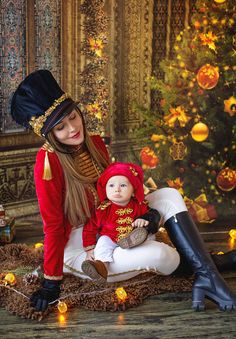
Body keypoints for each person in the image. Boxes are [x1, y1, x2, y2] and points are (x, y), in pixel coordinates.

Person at [10, 69, 236, 313]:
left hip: (111, 220)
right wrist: (51, 282)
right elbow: (53, 227)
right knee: (162, 256)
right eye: (61, 128)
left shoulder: (94, 143)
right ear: (50, 135)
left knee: (169, 195)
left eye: (73, 117)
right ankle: (213, 264)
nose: (73, 128)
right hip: (80, 246)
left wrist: (146, 211)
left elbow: (118, 191)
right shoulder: (47, 162)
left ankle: (208, 275)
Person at [81, 161, 161, 282]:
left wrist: (143, 220)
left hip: (133, 235)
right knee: (103, 243)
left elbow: (153, 216)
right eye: (111, 186)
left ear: (133, 190)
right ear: (105, 189)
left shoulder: (139, 205)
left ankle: (134, 241)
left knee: (147, 235)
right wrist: (89, 249)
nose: (117, 190)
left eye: (123, 186)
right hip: (111, 238)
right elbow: (90, 228)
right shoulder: (103, 209)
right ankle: (102, 268)